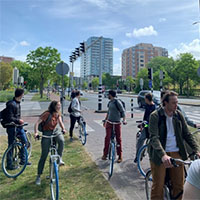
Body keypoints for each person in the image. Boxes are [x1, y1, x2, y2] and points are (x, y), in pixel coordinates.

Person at [148, 91, 200, 200]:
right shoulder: (155, 116)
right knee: (158, 187)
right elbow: (154, 137)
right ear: (165, 103)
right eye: (173, 103)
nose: (176, 105)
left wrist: (196, 150)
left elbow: (187, 134)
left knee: (179, 186)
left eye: (177, 102)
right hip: (160, 155)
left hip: (176, 152)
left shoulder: (178, 115)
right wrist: (163, 155)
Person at [34, 101, 66, 185]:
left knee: (61, 140)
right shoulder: (47, 114)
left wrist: (63, 128)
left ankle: (59, 158)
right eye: (58, 105)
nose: (59, 107)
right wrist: (36, 132)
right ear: (54, 106)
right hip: (47, 132)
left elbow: (60, 122)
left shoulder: (57, 114)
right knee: (44, 155)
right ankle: (38, 176)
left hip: (55, 131)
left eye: (60, 105)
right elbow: (37, 123)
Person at [5, 88, 31, 170]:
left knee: (25, 143)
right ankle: (9, 164)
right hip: (12, 128)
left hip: (19, 127)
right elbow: (10, 117)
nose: (23, 95)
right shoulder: (11, 104)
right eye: (23, 94)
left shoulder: (17, 103)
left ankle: (23, 160)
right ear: (20, 95)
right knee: (11, 146)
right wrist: (18, 120)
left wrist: (19, 121)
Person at [102, 90, 127, 163]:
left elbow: (123, 111)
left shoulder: (117, 102)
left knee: (118, 139)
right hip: (109, 122)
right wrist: (105, 120)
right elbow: (109, 112)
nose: (107, 96)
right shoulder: (110, 102)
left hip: (117, 123)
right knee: (107, 138)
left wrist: (124, 120)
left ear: (111, 95)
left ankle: (120, 156)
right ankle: (105, 154)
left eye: (108, 95)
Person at [134, 92, 156, 163]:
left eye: (145, 98)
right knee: (140, 140)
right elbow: (145, 117)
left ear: (147, 99)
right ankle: (138, 156)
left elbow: (152, 121)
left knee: (150, 144)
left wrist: (145, 125)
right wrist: (142, 124)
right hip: (146, 126)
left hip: (151, 128)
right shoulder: (147, 106)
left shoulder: (154, 108)